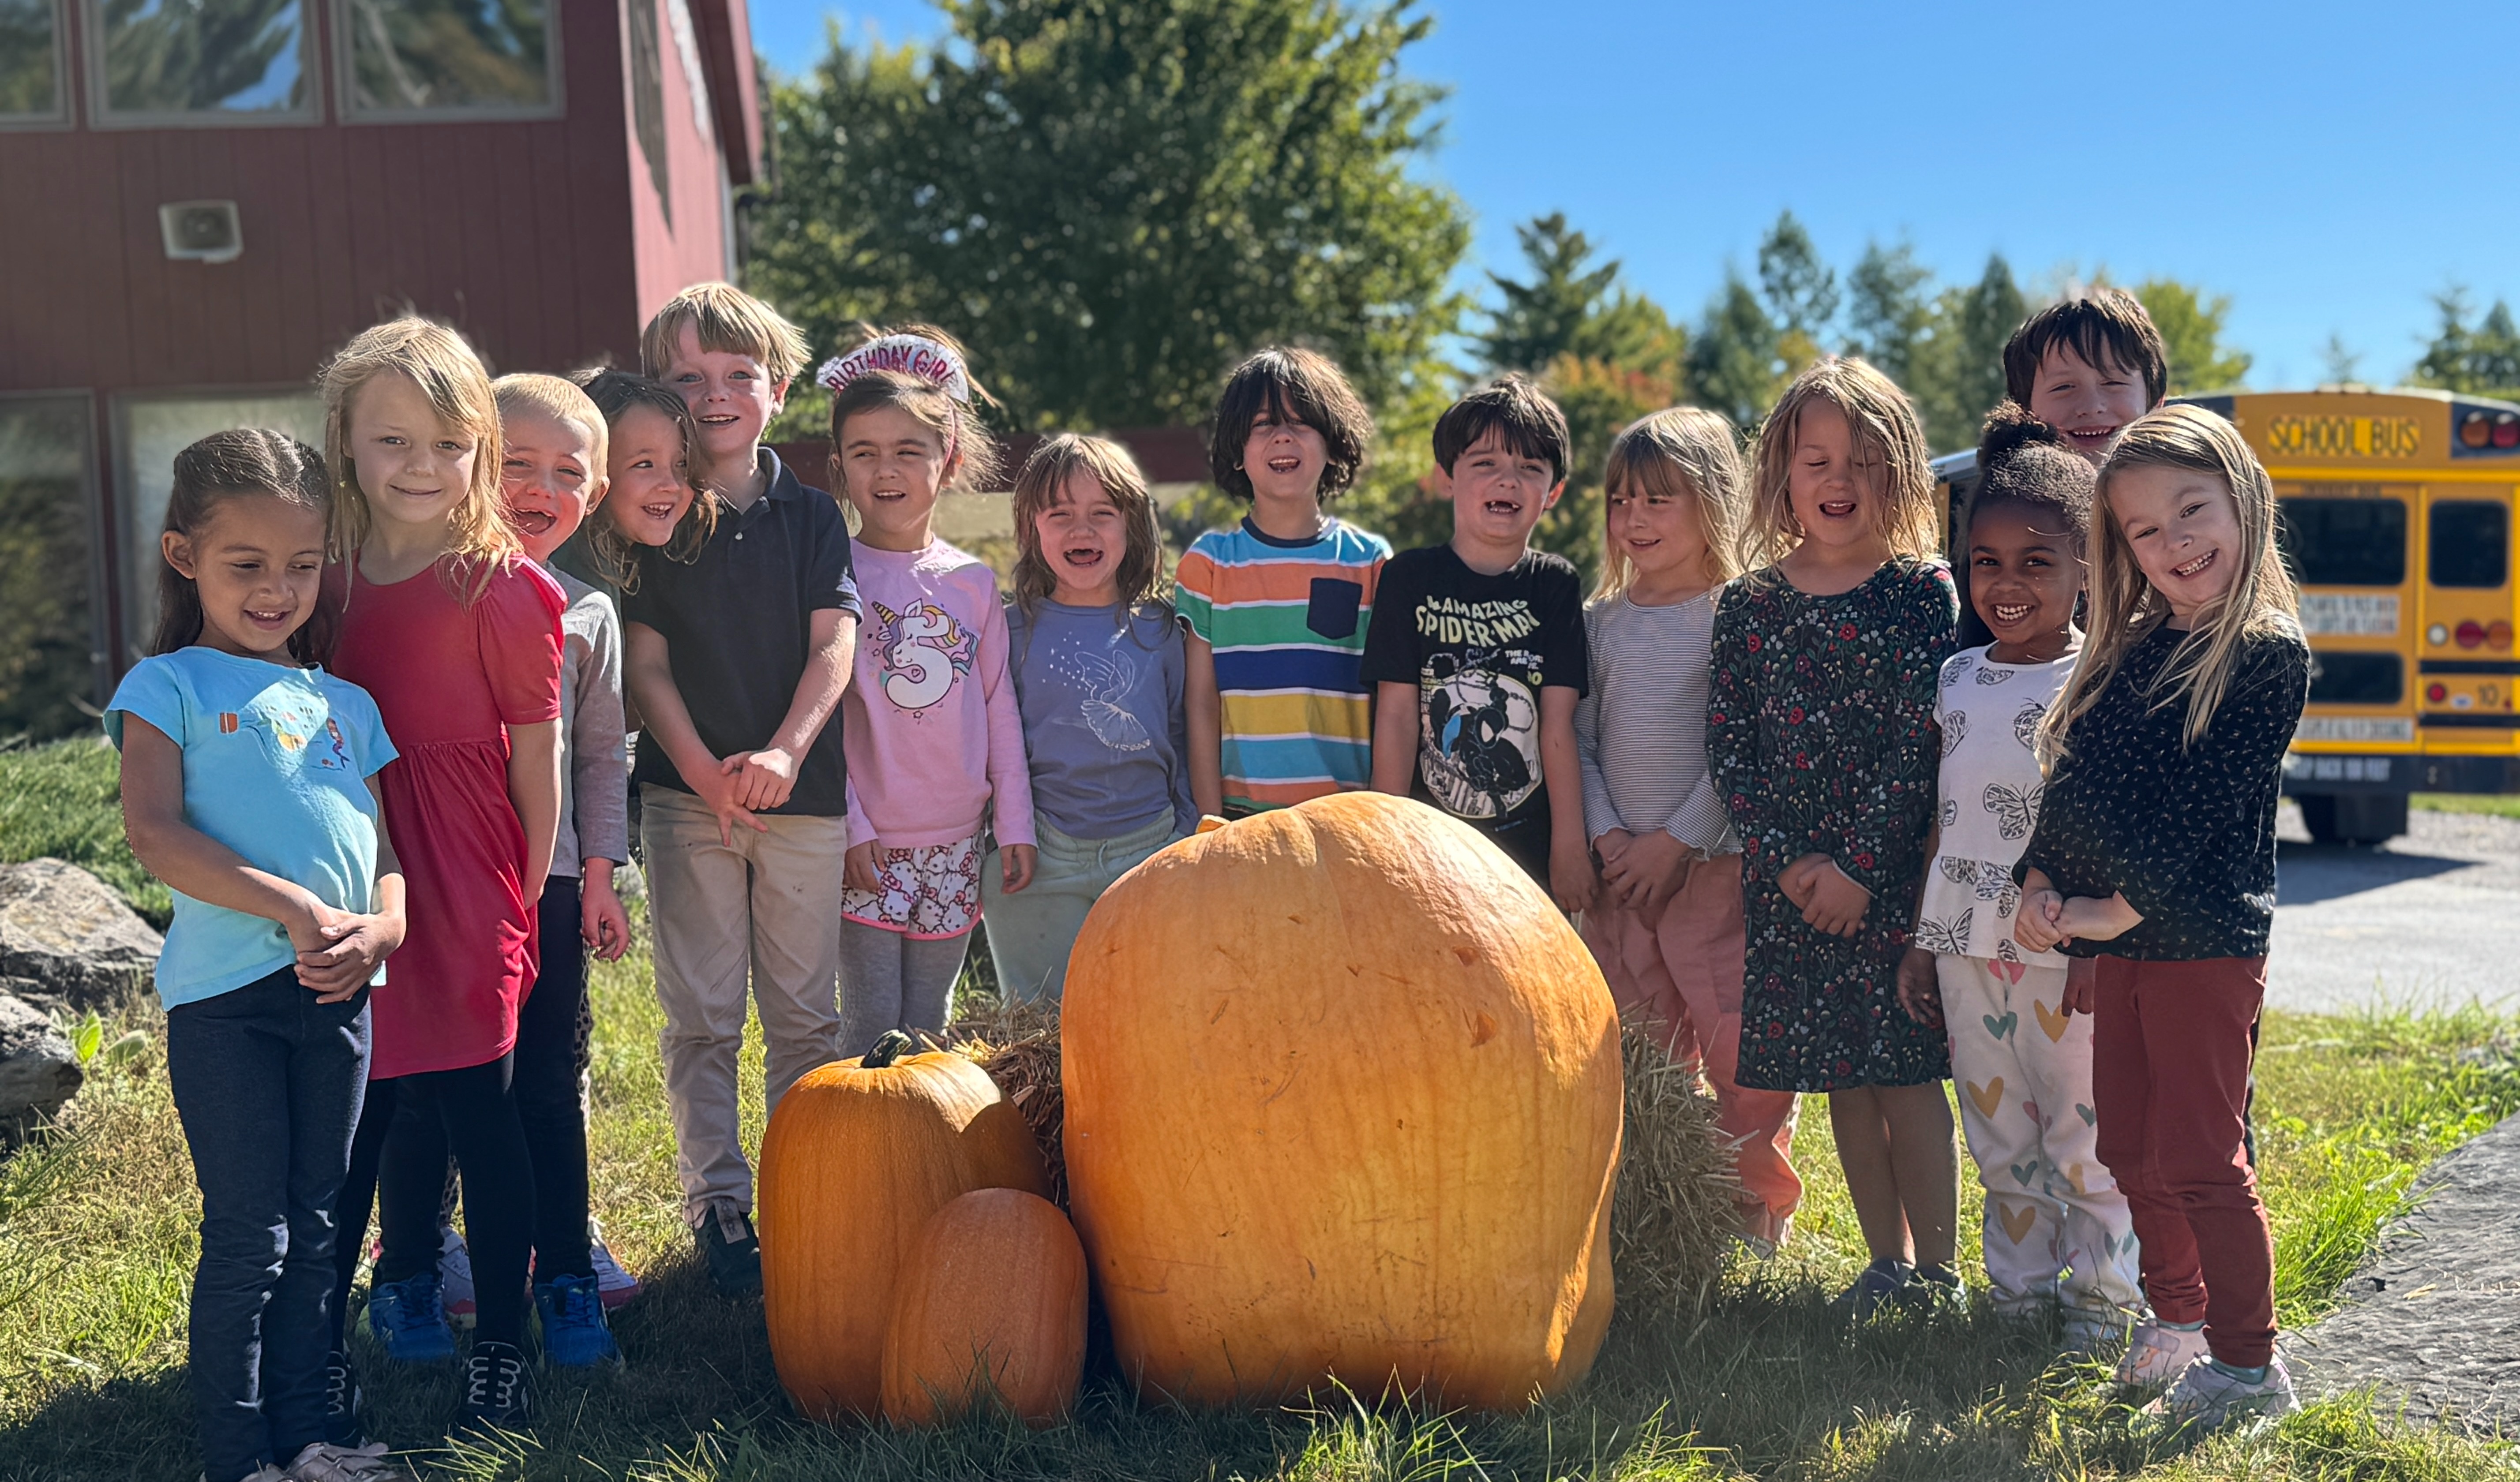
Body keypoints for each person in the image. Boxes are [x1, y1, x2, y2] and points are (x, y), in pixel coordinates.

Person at [112, 430, 414, 1482]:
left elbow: (385, 859)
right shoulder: (167, 687)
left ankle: (310, 1439)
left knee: (325, 1229)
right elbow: (154, 835)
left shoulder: (349, 704)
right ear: (184, 556)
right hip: (227, 1010)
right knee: (254, 1238)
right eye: (249, 565)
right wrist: (291, 907)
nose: (279, 589)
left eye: (301, 564)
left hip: (340, 1003)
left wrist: (383, 929)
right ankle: (241, 1458)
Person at [2015, 404, 2311, 1431]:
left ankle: (2249, 1365)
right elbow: (2084, 782)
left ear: (2244, 501)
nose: (2176, 544)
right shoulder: (2134, 647)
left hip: (2206, 945)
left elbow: (2194, 811)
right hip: (2124, 938)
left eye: (2194, 512)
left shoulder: (2265, 654)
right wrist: (2040, 883)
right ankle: (2178, 1323)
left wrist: (2107, 909)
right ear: (2122, 548)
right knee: (2134, 1152)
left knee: (2202, 1159)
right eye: (2145, 530)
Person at [318, 318, 565, 1441]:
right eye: (392, 441)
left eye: (448, 443)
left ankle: (502, 1353)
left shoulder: (498, 587)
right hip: (348, 869)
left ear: (478, 449)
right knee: (347, 1128)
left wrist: (518, 901)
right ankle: (318, 1355)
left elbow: (536, 763)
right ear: (346, 444)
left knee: (483, 1118)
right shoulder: (320, 576)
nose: (422, 467)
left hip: (467, 887)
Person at [1706, 356, 1961, 1317]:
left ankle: (1939, 1275)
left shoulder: (1919, 593)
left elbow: (1921, 744)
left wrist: (1857, 870)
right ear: (1780, 473)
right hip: (1792, 889)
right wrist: (1792, 865)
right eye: (1815, 459)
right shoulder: (1752, 605)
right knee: (1843, 1083)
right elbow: (1731, 750)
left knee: (1902, 1077)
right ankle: (1883, 1263)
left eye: (1861, 460)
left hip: (1888, 881)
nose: (1837, 481)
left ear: (1899, 473)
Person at [623, 284, 860, 1295]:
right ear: (661, 394)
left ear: (780, 390)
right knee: (703, 1016)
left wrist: (783, 754)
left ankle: (802, 1198)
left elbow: (834, 647)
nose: (714, 395)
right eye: (688, 378)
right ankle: (719, 1207)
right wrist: (702, 774)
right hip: (688, 802)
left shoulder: (814, 517)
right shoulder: (657, 512)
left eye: (736, 376)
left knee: (807, 1017)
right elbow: (647, 667)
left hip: (800, 798)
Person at [1894, 407, 2141, 1347]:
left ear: (2089, 568)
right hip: (1966, 951)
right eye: (1987, 562)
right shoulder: (1956, 677)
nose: (2007, 583)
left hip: (2063, 958)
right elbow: (1943, 818)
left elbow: (2113, 831)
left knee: (2084, 1143)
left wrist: (2094, 948)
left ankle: (2105, 1309)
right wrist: (1926, 940)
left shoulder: (2104, 678)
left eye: (2038, 562)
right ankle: (2018, 1300)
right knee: (2001, 1139)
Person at [1572, 408, 1800, 1251]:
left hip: (1712, 874)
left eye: (1657, 501)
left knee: (1738, 1047)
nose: (1633, 520)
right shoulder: (1600, 623)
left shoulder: (1740, 612)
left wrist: (1677, 840)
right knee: (1641, 1051)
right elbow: (1580, 738)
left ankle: (1753, 1214)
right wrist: (1609, 840)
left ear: (1712, 501)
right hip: (1618, 880)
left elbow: (1744, 746)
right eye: (1620, 501)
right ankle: (1659, 1217)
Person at [819, 327, 1035, 1051]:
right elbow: (820, 715)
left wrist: (1015, 823)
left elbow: (998, 707)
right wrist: (849, 825)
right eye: (865, 453)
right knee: (870, 1026)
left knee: (928, 1028)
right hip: (871, 845)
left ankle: (928, 1165)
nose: (888, 469)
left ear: (950, 463)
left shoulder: (972, 583)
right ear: (839, 468)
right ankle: (865, 1164)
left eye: (909, 450)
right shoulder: (831, 575)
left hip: (956, 845)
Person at [1362, 376, 1589, 907]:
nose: (1507, 481)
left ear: (1553, 492)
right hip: (1429, 846)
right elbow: (1395, 716)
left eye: (1530, 468)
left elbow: (1557, 724)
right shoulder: (1407, 579)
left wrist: (1570, 845)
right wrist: (1382, 836)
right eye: (1485, 463)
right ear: (1447, 478)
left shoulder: (1556, 585)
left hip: (1529, 850)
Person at [984, 433, 1195, 1003]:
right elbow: (997, 749)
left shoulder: (1164, 631)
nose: (1083, 530)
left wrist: (1188, 836)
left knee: (1149, 1016)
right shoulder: (1006, 631)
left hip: (1152, 850)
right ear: (1031, 529)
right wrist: (1011, 835)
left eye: (1103, 513)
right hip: (1041, 858)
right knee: (1040, 1034)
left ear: (1134, 526)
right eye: (1061, 515)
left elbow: (1184, 737)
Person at [1175, 347, 1390, 817]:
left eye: (1301, 422)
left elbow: (1390, 704)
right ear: (1236, 451)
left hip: (1347, 821)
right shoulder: (1207, 565)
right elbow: (1201, 706)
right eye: (1264, 424)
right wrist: (1211, 825)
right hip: (1239, 820)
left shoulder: (1371, 562)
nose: (1283, 438)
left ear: (1333, 443)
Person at [568, 367, 713, 603]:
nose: (672, 485)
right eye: (645, 465)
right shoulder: (577, 579)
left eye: (682, 464)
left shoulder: (624, 565)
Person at [2002, 287, 2171, 466]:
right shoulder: (1997, 491)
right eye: (2064, 387)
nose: (2092, 407)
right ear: (2023, 409)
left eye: (2113, 383)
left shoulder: (2192, 488)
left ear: (2155, 403)